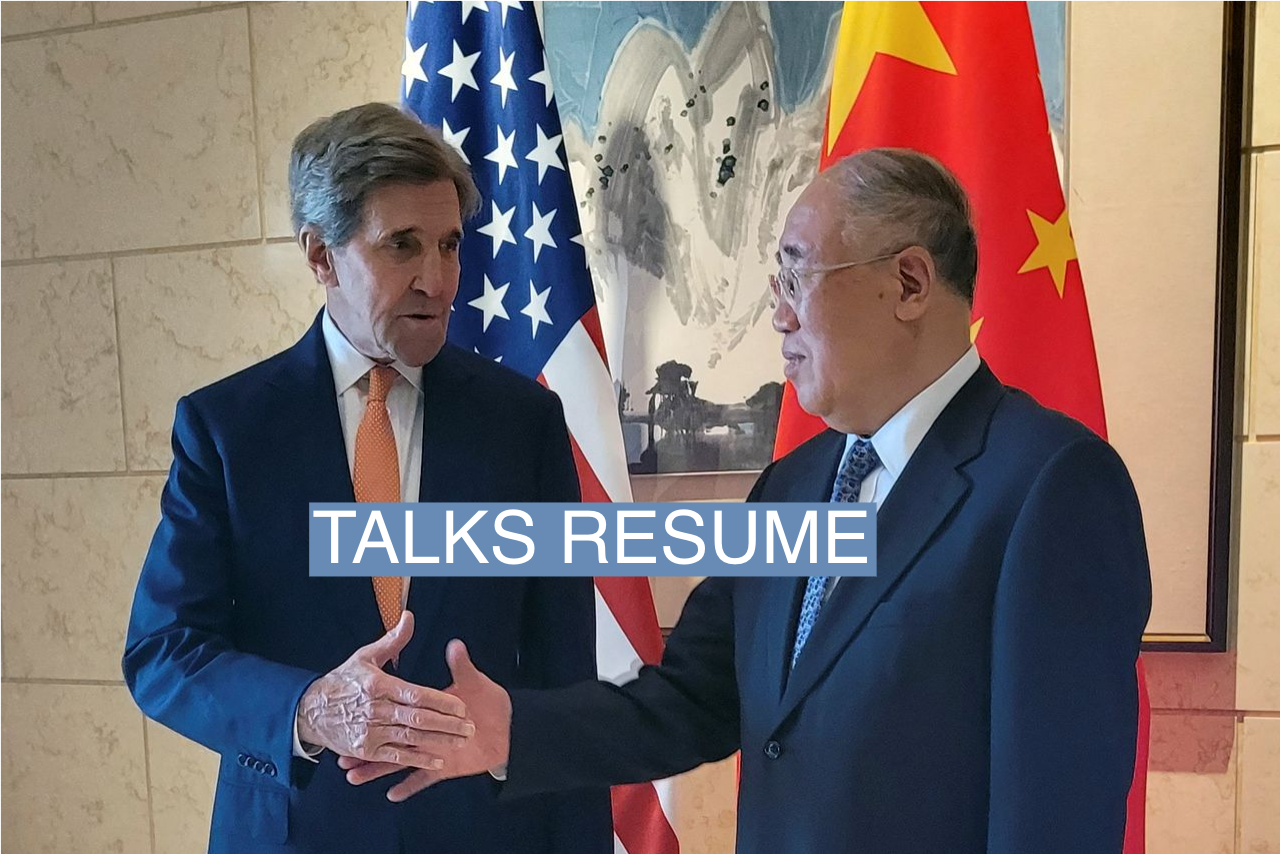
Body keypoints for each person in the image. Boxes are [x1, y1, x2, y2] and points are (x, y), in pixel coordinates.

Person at [344, 148, 1153, 854]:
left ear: (909, 281)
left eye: (798, 275)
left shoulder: (1050, 486)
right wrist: (512, 730)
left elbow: (1056, 814)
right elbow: (694, 701)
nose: (778, 312)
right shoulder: (793, 489)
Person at [122, 102, 612, 854]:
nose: (438, 279)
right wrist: (310, 707)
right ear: (320, 255)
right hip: (294, 832)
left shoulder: (524, 424)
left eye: (450, 245)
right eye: (402, 246)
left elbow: (563, 677)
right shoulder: (228, 430)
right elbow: (164, 651)